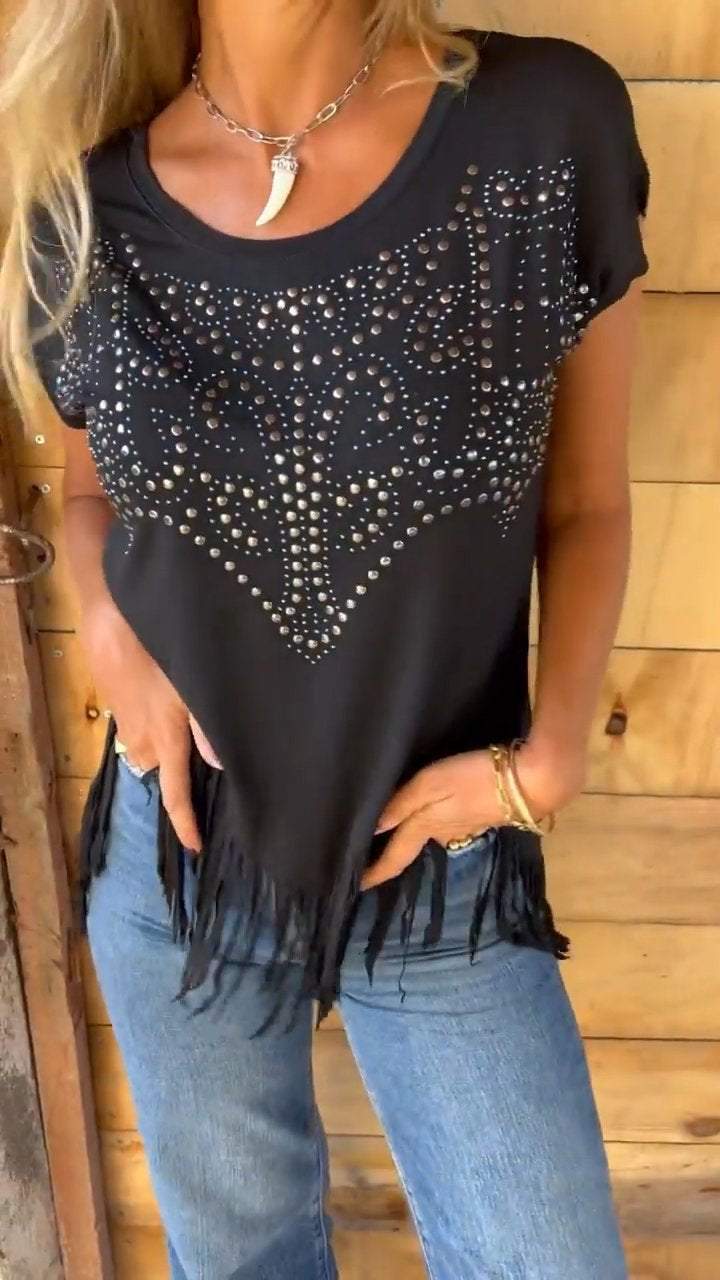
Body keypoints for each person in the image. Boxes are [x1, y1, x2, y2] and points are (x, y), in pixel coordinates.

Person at [0, 3, 650, 1277]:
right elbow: (87, 495)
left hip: (445, 863)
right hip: (182, 857)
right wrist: (109, 636)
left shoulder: (539, 127)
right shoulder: (81, 198)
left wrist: (553, 755)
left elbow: (587, 501)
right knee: (240, 1261)